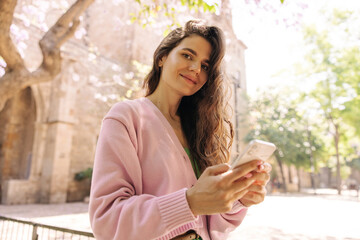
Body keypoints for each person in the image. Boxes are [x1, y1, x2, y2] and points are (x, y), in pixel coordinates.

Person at [89, 19, 271, 240]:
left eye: (205, 66)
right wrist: (189, 202)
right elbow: (107, 220)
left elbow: (210, 222)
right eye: (187, 55)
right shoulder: (126, 117)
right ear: (162, 58)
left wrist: (237, 198)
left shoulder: (200, 130)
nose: (195, 69)